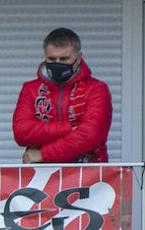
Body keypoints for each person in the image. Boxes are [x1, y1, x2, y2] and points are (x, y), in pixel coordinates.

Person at [12, 27, 112, 164]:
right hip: (42, 178)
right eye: (52, 59)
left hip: (90, 177)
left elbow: (90, 136)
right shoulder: (30, 89)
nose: (57, 63)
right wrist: (69, 128)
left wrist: (43, 154)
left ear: (78, 58)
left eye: (64, 59)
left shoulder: (97, 89)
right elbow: (22, 133)